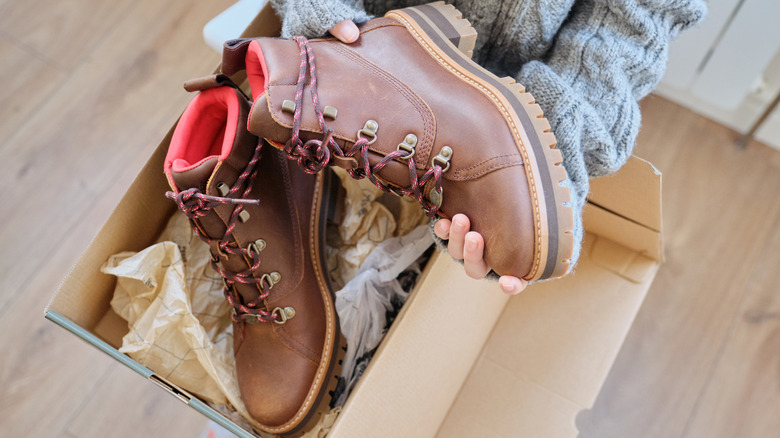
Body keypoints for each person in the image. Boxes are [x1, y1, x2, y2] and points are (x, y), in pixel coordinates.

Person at [269, 0, 706, 294]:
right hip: (356, 36)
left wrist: (548, 133)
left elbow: (637, 18)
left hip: (518, 79)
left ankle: (465, 135)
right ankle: (359, 74)